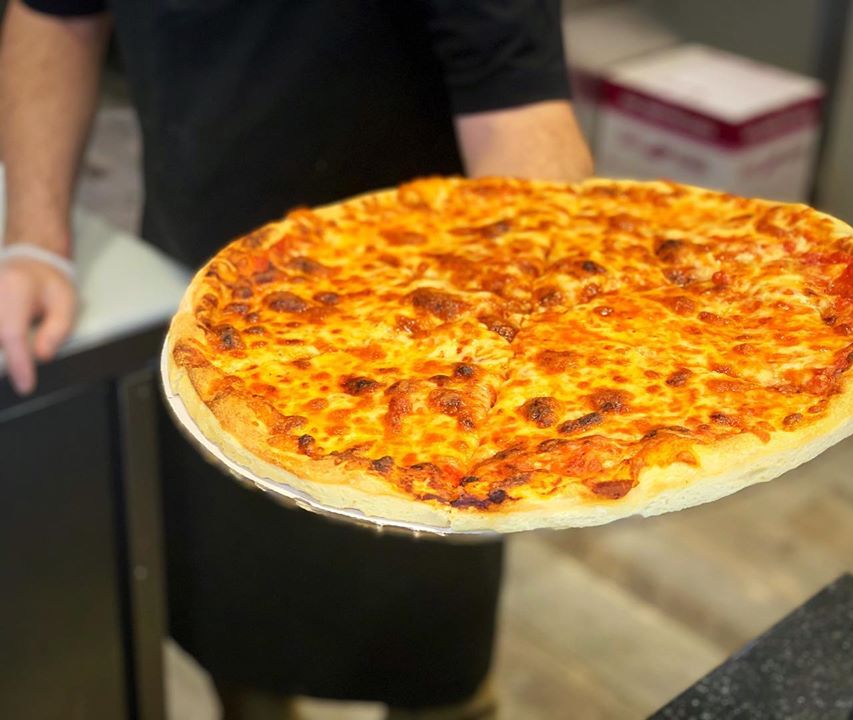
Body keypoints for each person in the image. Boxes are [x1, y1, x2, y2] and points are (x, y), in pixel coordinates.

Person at [0, 1, 592, 717]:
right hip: (210, 300)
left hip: (434, 354)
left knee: (432, 659)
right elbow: (55, 13)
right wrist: (34, 237)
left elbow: (515, 104)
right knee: (239, 630)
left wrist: (533, 321)